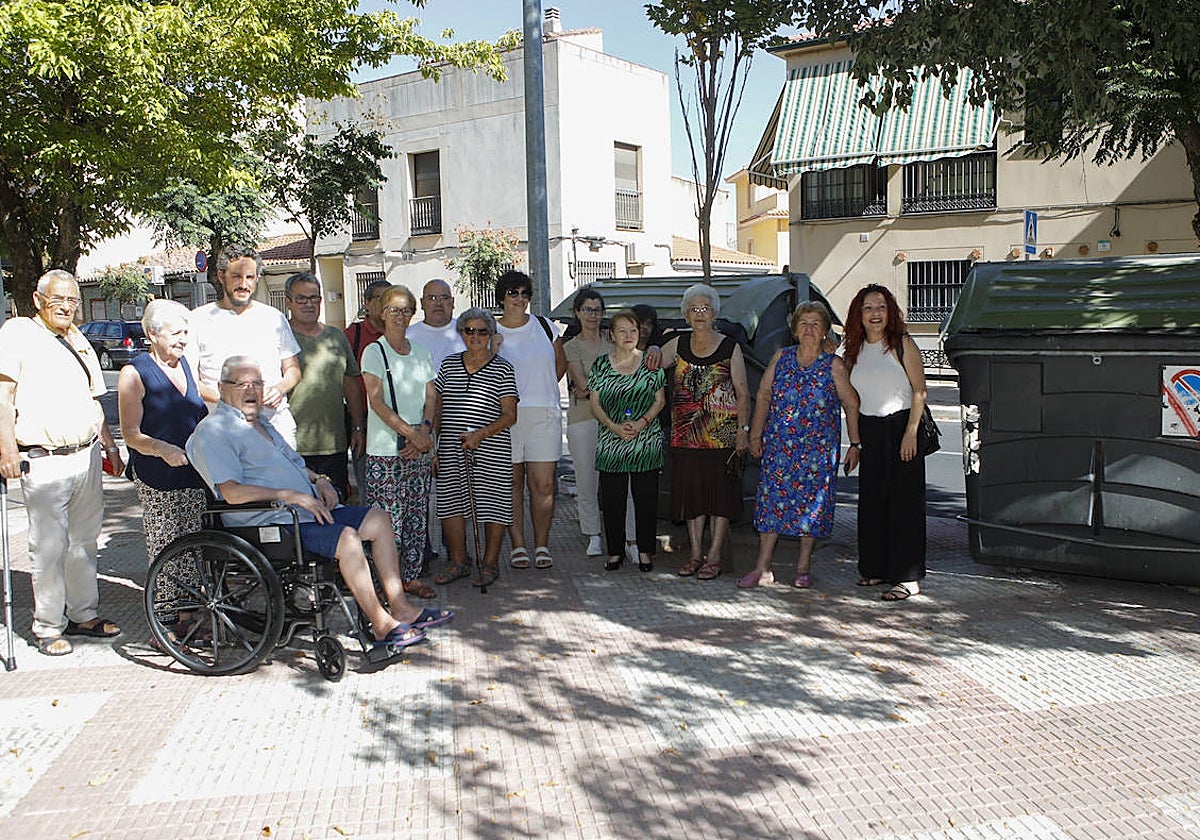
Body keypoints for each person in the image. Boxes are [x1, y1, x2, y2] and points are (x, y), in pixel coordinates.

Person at [185, 356, 451, 652]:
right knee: (347, 538)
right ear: (222, 388)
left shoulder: (261, 423)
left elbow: (296, 465)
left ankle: (400, 607)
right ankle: (380, 624)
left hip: (303, 511)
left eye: (257, 384)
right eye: (242, 384)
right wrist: (289, 495)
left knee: (378, 518)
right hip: (270, 523)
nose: (252, 391)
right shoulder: (216, 430)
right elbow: (232, 493)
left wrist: (320, 479)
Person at [0, 270, 125, 655]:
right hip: (44, 458)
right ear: (38, 300)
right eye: (59, 299)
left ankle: (84, 613)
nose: (67, 306)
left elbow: (94, 400)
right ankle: (48, 626)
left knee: (84, 542)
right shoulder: (18, 333)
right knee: (50, 546)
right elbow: (3, 398)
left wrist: (110, 446)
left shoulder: (78, 337)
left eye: (73, 300)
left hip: (86, 454)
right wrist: (6, 451)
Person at [740, 302, 861, 589]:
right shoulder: (781, 357)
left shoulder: (833, 364)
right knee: (770, 505)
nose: (809, 328)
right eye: (803, 323)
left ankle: (803, 566)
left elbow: (852, 403)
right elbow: (765, 395)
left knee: (812, 506)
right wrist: (755, 435)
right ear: (795, 329)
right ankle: (763, 567)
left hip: (817, 451)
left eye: (816, 323)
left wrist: (855, 443)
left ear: (824, 331)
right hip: (779, 448)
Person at [116, 299, 208, 625]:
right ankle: (165, 623)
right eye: (175, 333)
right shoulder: (134, 373)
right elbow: (130, 433)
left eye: (186, 332)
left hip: (194, 472)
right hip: (158, 475)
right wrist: (162, 449)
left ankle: (189, 617)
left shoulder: (185, 365)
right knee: (166, 548)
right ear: (153, 334)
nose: (183, 339)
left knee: (193, 546)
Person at [841, 284, 929, 602]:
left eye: (881, 306)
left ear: (890, 311)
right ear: (858, 315)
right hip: (869, 430)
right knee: (872, 502)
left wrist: (910, 432)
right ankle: (875, 568)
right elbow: (848, 397)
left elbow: (920, 391)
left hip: (901, 426)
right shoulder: (853, 349)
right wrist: (855, 443)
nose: (875, 313)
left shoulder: (902, 343)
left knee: (904, 504)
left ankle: (908, 578)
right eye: (868, 308)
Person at [658, 283, 751, 580]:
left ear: (715, 313)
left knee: (720, 500)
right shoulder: (678, 345)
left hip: (723, 437)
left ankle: (714, 557)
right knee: (691, 498)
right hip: (685, 436)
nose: (700, 314)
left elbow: (743, 392)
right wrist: (649, 346)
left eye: (705, 308)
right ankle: (695, 555)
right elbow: (651, 362)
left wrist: (743, 431)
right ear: (686, 315)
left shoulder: (729, 346)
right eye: (694, 309)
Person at [429, 308, 518, 588]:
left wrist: (482, 434)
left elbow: (510, 415)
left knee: (494, 504)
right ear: (461, 333)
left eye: (482, 331)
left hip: (491, 447)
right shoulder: (449, 364)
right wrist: (434, 447)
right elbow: (438, 409)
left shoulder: (503, 368)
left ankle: (490, 563)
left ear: (491, 334)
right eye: (470, 330)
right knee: (450, 504)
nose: (476, 336)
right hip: (451, 448)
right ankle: (459, 561)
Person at [361, 286, 439, 599]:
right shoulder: (374, 352)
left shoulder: (421, 352)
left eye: (406, 309)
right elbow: (377, 402)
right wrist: (414, 436)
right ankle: (386, 583)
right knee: (387, 521)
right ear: (382, 312)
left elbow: (431, 395)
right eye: (393, 309)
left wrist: (426, 431)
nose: (400, 315)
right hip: (386, 451)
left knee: (416, 516)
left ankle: (411, 576)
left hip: (417, 448)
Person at [186, 244, 302, 447]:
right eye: (236, 276)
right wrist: (233, 402)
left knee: (287, 479)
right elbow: (190, 382)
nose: (243, 284)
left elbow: (293, 370)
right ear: (221, 276)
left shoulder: (274, 317)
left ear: (257, 278)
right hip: (223, 432)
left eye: (249, 277)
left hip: (275, 426)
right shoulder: (197, 320)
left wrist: (281, 388)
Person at [494, 270, 567, 570]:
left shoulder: (546, 327)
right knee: (512, 484)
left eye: (525, 293)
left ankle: (541, 545)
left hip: (544, 414)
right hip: (506, 417)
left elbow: (558, 367)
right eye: (513, 293)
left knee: (544, 484)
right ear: (502, 297)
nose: (519, 299)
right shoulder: (490, 331)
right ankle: (518, 545)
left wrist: (541, 393)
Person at [588, 309, 666, 572]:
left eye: (633, 330)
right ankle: (614, 552)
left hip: (646, 440)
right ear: (612, 335)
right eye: (622, 330)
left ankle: (645, 551)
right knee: (613, 499)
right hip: (612, 441)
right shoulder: (600, 365)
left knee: (646, 499)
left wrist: (642, 423)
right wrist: (613, 427)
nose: (629, 335)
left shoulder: (651, 362)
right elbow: (595, 404)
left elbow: (660, 400)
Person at [285, 272, 364, 502]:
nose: (309, 304)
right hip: (292, 445)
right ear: (288, 302)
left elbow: (350, 382)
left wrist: (358, 427)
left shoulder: (336, 337)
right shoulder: (279, 337)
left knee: (336, 505)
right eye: (301, 299)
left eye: (314, 298)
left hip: (333, 445)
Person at [345, 278, 393, 499]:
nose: (387, 304)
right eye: (380, 298)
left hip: (398, 424)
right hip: (365, 422)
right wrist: (358, 429)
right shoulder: (352, 335)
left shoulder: (401, 336)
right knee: (370, 491)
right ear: (367, 303)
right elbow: (349, 382)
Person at [407, 278, 466, 369]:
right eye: (432, 298)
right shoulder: (407, 336)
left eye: (444, 298)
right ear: (422, 303)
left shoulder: (469, 333)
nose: (438, 303)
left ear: (452, 302)